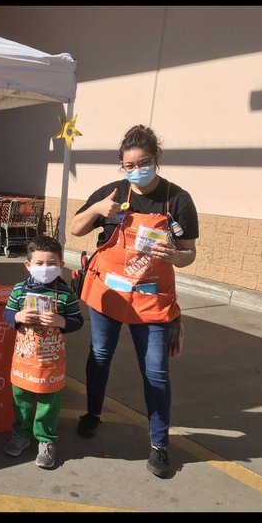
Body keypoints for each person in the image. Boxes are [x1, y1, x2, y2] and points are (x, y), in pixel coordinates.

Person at [71, 124, 199, 478]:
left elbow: (189, 253)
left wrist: (175, 255)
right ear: (122, 166)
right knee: (100, 356)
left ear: (156, 159)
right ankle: (93, 413)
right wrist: (98, 207)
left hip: (151, 301)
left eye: (143, 162)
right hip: (107, 294)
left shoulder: (178, 199)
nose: (136, 170)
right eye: (128, 165)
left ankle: (159, 444)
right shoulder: (112, 192)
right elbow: (76, 228)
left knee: (156, 370)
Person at [3, 234, 84, 469]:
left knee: (50, 401)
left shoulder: (66, 294)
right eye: (39, 263)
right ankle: (21, 434)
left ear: (61, 265)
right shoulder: (19, 290)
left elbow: (77, 321)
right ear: (28, 265)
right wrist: (18, 316)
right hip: (25, 358)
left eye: (51, 263)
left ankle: (46, 440)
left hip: (52, 361)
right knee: (22, 399)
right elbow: (7, 314)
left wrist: (60, 320)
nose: (45, 268)